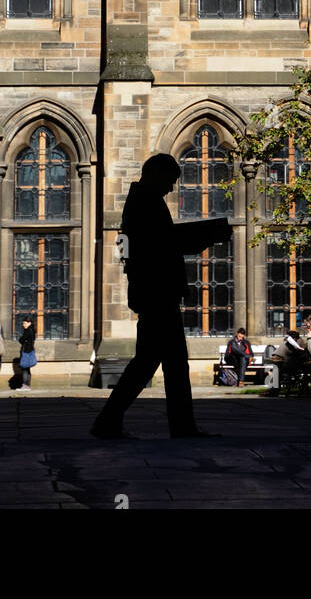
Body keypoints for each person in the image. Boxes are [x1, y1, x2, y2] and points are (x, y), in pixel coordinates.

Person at [90, 152, 233, 439]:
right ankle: (174, 426)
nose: (171, 188)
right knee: (163, 364)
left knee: (158, 364)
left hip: (155, 293)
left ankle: (116, 422)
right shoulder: (144, 202)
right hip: (157, 294)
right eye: (170, 181)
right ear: (155, 174)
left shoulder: (143, 200)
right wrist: (204, 235)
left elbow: (149, 244)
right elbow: (159, 246)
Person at [18, 315, 37, 390]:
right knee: (27, 369)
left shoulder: (28, 331)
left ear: (29, 323)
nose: (23, 325)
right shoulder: (32, 330)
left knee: (24, 368)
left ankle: (25, 385)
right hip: (30, 350)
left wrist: (22, 339)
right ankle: (28, 385)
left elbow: (21, 340)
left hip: (26, 351)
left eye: (25, 323)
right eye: (23, 324)